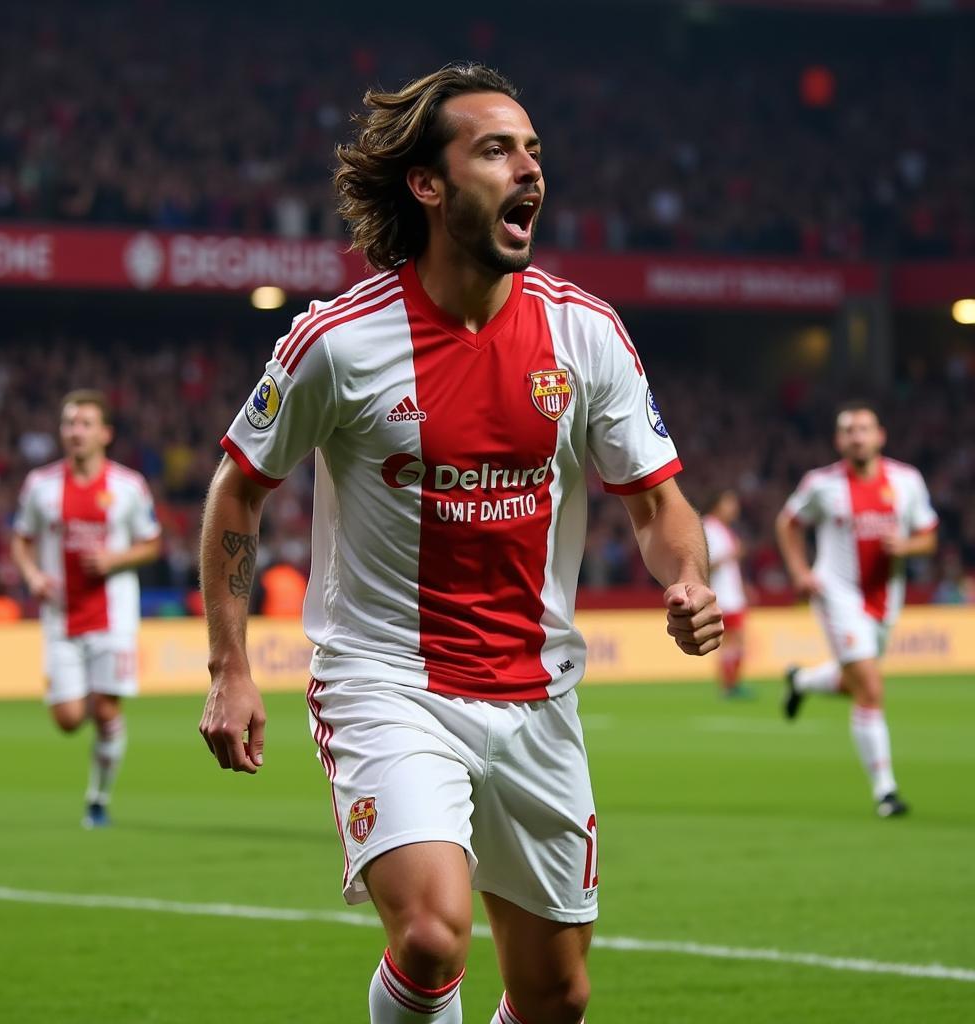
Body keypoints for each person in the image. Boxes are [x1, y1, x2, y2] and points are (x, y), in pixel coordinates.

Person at [198, 64, 723, 1024]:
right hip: (388, 679)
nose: (528, 168)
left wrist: (688, 578)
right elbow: (238, 491)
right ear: (429, 185)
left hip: (537, 692)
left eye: (533, 151)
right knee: (434, 937)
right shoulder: (338, 343)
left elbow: (656, 503)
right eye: (496, 149)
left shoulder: (585, 335)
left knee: (555, 996)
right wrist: (229, 664)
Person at [775, 400, 938, 818]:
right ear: (839, 440)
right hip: (837, 595)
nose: (858, 436)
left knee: (854, 683)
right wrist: (799, 571)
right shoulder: (822, 484)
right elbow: (787, 522)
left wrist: (908, 546)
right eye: (849, 430)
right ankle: (886, 791)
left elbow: (928, 536)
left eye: (864, 429)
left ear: (880, 435)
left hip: (886, 599)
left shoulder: (906, 481)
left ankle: (802, 680)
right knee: (870, 687)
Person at [11, 390, 161, 828]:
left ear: (105, 433)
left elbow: (152, 544)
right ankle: (87, 727)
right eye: (69, 423)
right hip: (60, 616)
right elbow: (21, 539)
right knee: (69, 718)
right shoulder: (40, 486)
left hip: (113, 615)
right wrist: (33, 576)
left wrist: (115, 560)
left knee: (108, 710)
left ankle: (97, 799)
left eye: (84, 423)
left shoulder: (128, 486)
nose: (75, 431)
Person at [702, 489, 752, 698]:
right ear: (717, 504)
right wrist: (730, 555)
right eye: (729, 503)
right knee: (731, 642)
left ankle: (733, 683)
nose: (734, 508)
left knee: (738, 641)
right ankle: (728, 685)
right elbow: (704, 564)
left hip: (733, 595)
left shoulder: (725, 529)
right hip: (721, 596)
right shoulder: (707, 527)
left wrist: (743, 587)